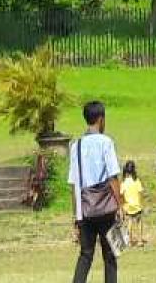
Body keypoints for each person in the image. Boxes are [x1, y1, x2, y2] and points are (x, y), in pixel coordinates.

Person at [67, 101, 122, 283]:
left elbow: (73, 183)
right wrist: (119, 204)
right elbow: (113, 177)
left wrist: (76, 215)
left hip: (85, 209)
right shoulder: (106, 142)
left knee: (85, 255)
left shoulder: (77, 146)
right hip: (106, 208)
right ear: (101, 119)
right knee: (110, 254)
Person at [120, 162, 145, 247]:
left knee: (130, 222)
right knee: (139, 222)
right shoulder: (136, 180)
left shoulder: (124, 182)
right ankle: (140, 240)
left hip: (128, 206)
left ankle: (130, 241)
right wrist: (141, 202)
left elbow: (121, 194)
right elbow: (141, 192)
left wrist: (123, 206)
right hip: (137, 205)